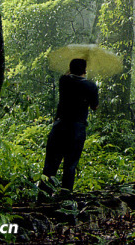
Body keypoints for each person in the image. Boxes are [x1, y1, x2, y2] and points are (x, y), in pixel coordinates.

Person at [41, 58, 99, 196]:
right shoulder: (91, 86)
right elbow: (94, 106)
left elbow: (69, 74)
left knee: (50, 165)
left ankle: (43, 196)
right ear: (84, 70)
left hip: (60, 126)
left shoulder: (64, 81)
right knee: (70, 166)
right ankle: (65, 198)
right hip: (77, 129)